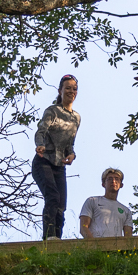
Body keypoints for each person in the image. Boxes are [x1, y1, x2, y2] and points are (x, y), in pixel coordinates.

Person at [31, 74, 80, 240]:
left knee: (61, 205)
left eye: (74, 88)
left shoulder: (76, 118)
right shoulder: (52, 111)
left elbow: (69, 143)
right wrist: (40, 145)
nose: (71, 91)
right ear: (60, 91)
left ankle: (57, 240)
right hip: (44, 161)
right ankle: (48, 237)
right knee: (52, 197)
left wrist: (71, 154)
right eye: (68, 88)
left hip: (60, 166)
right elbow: (41, 131)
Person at [80, 167, 134, 241]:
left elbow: (128, 237)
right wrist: (94, 245)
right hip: (95, 249)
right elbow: (83, 227)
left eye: (117, 179)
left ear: (121, 185)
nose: (113, 181)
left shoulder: (126, 211)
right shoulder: (92, 201)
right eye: (109, 179)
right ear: (103, 184)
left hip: (116, 250)